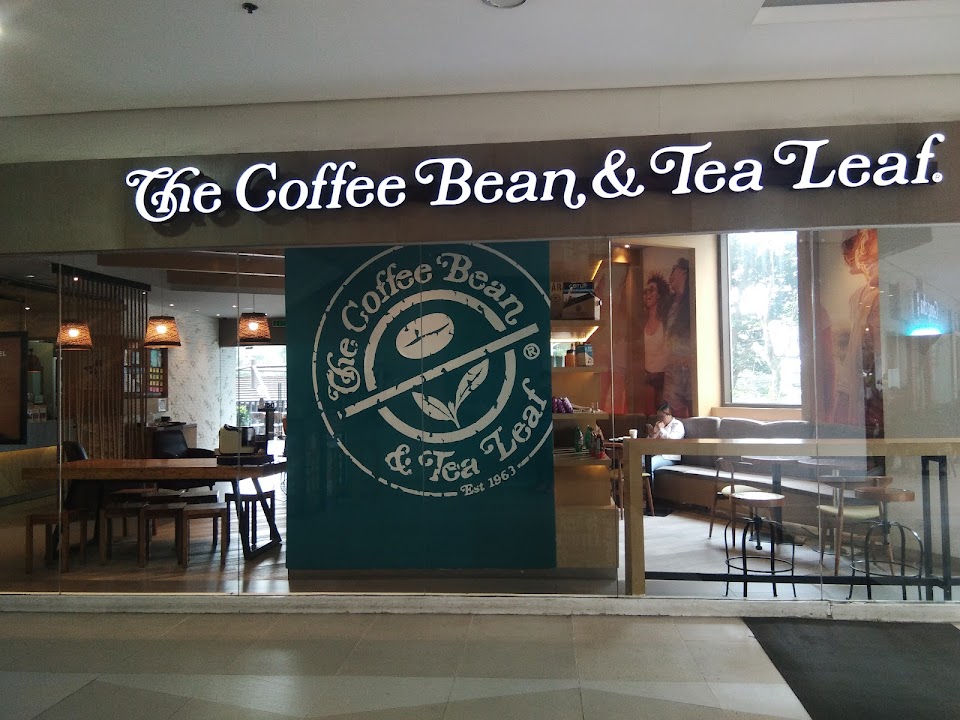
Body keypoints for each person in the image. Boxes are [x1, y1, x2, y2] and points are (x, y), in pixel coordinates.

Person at [663, 258, 692, 417]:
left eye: (674, 269)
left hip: (689, 367)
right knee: (672, 414)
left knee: (693, 411)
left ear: (684, 272)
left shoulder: (693, 300)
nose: (671, 276)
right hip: (673, 369)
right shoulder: (672, 302)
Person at [642, 273, 672, 410]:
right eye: (646, 291)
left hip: (664, 377)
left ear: (659, 295)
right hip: (647, 376)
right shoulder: (642, 322)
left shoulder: (665, 321)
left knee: (662, 414)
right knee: (648, 415)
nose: (647, 294)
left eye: (652, 290)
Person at [646, 402, 685, 481]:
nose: (660, 419)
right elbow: (650, 443)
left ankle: (650, 487)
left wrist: (661, 429)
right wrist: (651, 434)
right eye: (658, 417)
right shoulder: (660, 425)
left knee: (649, 465)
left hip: (669, 456)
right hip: (655, 453)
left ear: (669, 415)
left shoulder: (677, 424)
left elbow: (671, 440)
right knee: (637, 462)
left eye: (662, 417)